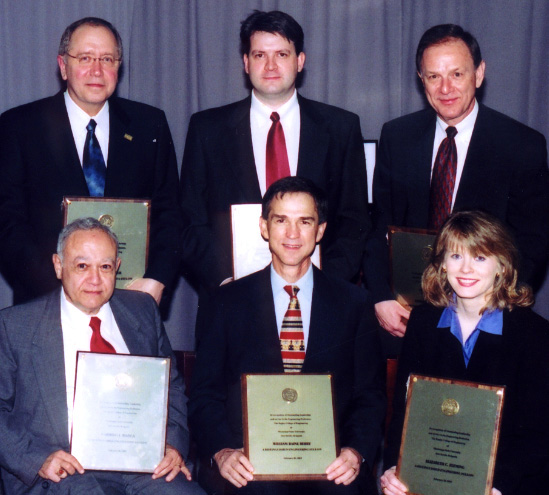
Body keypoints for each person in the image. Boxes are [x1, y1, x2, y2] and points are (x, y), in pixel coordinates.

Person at [188, 177, 385, 495]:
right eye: (281, 220)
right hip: (249, 462)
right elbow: (204, 395)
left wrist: (355, 452)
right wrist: (222, 452)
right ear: (264, 227)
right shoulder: (224, 302)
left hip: (329, 464)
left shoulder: (354, 303)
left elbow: (369, 396)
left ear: (320, 231)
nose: (292, 234)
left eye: (305, 222)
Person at [364, 24, 549, 340]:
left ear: (478, 74)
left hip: (489, 314)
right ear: (421, 80)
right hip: (409, 312)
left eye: (457, 74)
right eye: (434, 76)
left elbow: (533, 243)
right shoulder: (397, 136)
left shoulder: (521, 145)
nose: (445, 88)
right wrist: (381, 296)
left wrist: (494, 307)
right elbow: (380, 225)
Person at [0, 218, 204, 495]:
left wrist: (171, 444)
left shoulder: (142, 311)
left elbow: (172, 387)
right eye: (82, 266)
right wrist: (37, 459)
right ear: (59, 266)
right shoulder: (16, 326)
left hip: (143, 465)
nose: (95, 280)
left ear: (117, 268)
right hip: (62, 470)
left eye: (105, 267)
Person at [180, 10, 369, 293]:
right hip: (231, 297)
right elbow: (191, 220)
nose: (270, 65)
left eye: (281, 54)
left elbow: (354, 221)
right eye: (259, 55)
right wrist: (225, 281)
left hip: (321, 294)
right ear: (245, 63)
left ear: (300, 61)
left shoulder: (341, 128)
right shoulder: (207, 129)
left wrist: (325, 284)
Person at [0, 17, 181, 307]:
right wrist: (63, 287)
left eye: (107, 59)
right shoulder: (19, 126)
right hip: (45, 302)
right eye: (85, 58)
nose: (97, 70)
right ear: (63, 66)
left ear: (118, 66)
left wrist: (157, 280)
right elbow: (7, 223)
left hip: (131, 302)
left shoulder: (149, 125)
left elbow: (170, 213)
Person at [380, 211, 549, 495]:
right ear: (442, 264)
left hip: (506, 482)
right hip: (433, 473)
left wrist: (499, 487)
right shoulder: (422, 323)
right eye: (456, 256)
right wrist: (394, 470)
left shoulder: (534, 334)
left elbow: (537, 435)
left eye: (480, 258)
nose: (466, 269)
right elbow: (403, 414)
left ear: (502, 267)